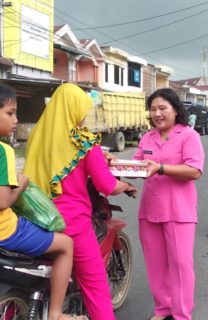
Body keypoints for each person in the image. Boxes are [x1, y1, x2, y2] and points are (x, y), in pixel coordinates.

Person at [23, 83, 137, 320]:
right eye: (82, 110)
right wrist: (126, 185)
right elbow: (108, 186)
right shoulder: (83, 142)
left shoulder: (37, 134)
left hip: (36, 217)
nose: (84, 117)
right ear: (74, 109)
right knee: (95, 285)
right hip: (72, 224)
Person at [0, 83, 86, 320]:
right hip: (5, 230)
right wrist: (22, 186)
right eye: (9, 113)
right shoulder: (3, 151)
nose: (16, 119)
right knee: (66, 244)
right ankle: (57, 313)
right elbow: (4, 201)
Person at [133, 88, 204, 320]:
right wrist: (114, 163)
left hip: (179, 211)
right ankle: (163, 309)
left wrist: (161, 168)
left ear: (175, 109)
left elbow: (194, 170)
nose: (157, 114)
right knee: (155, 264)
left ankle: (182, 314)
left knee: (181, 265)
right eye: (153, 109)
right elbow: (136, 163)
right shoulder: (148, 137)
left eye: (162, 108)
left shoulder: (188, 135)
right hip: (150, 211)